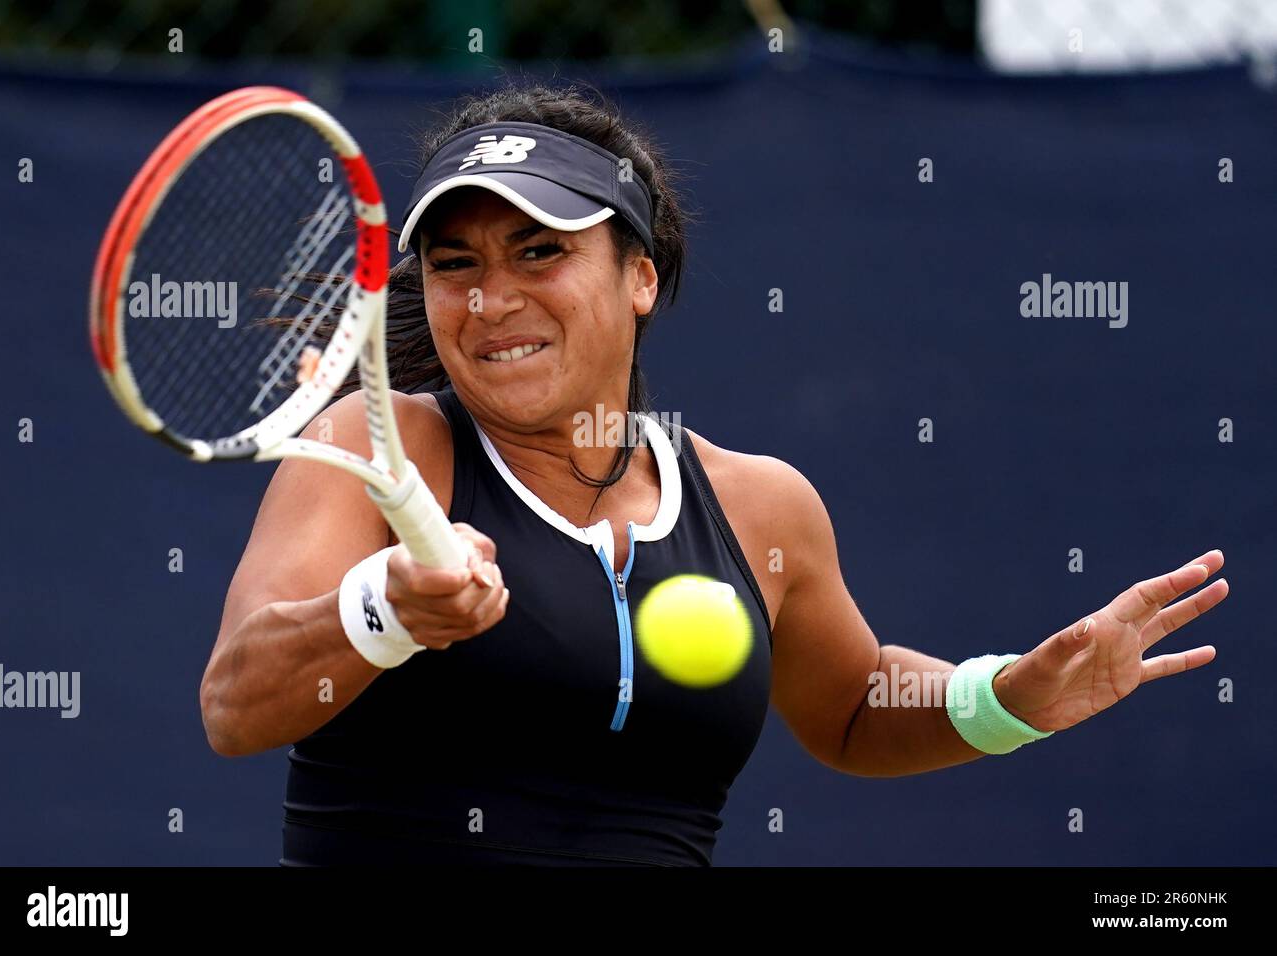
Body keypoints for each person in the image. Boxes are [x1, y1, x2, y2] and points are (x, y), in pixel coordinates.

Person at [198, 82, 1227, 866]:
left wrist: (1008, 695)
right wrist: (383, 609)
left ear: (638, 276)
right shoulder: (376, 450)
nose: (490, 297)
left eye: (538, 250)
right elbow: (236, 701)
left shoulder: (760, 503)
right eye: (455, 263)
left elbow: (855, 704)